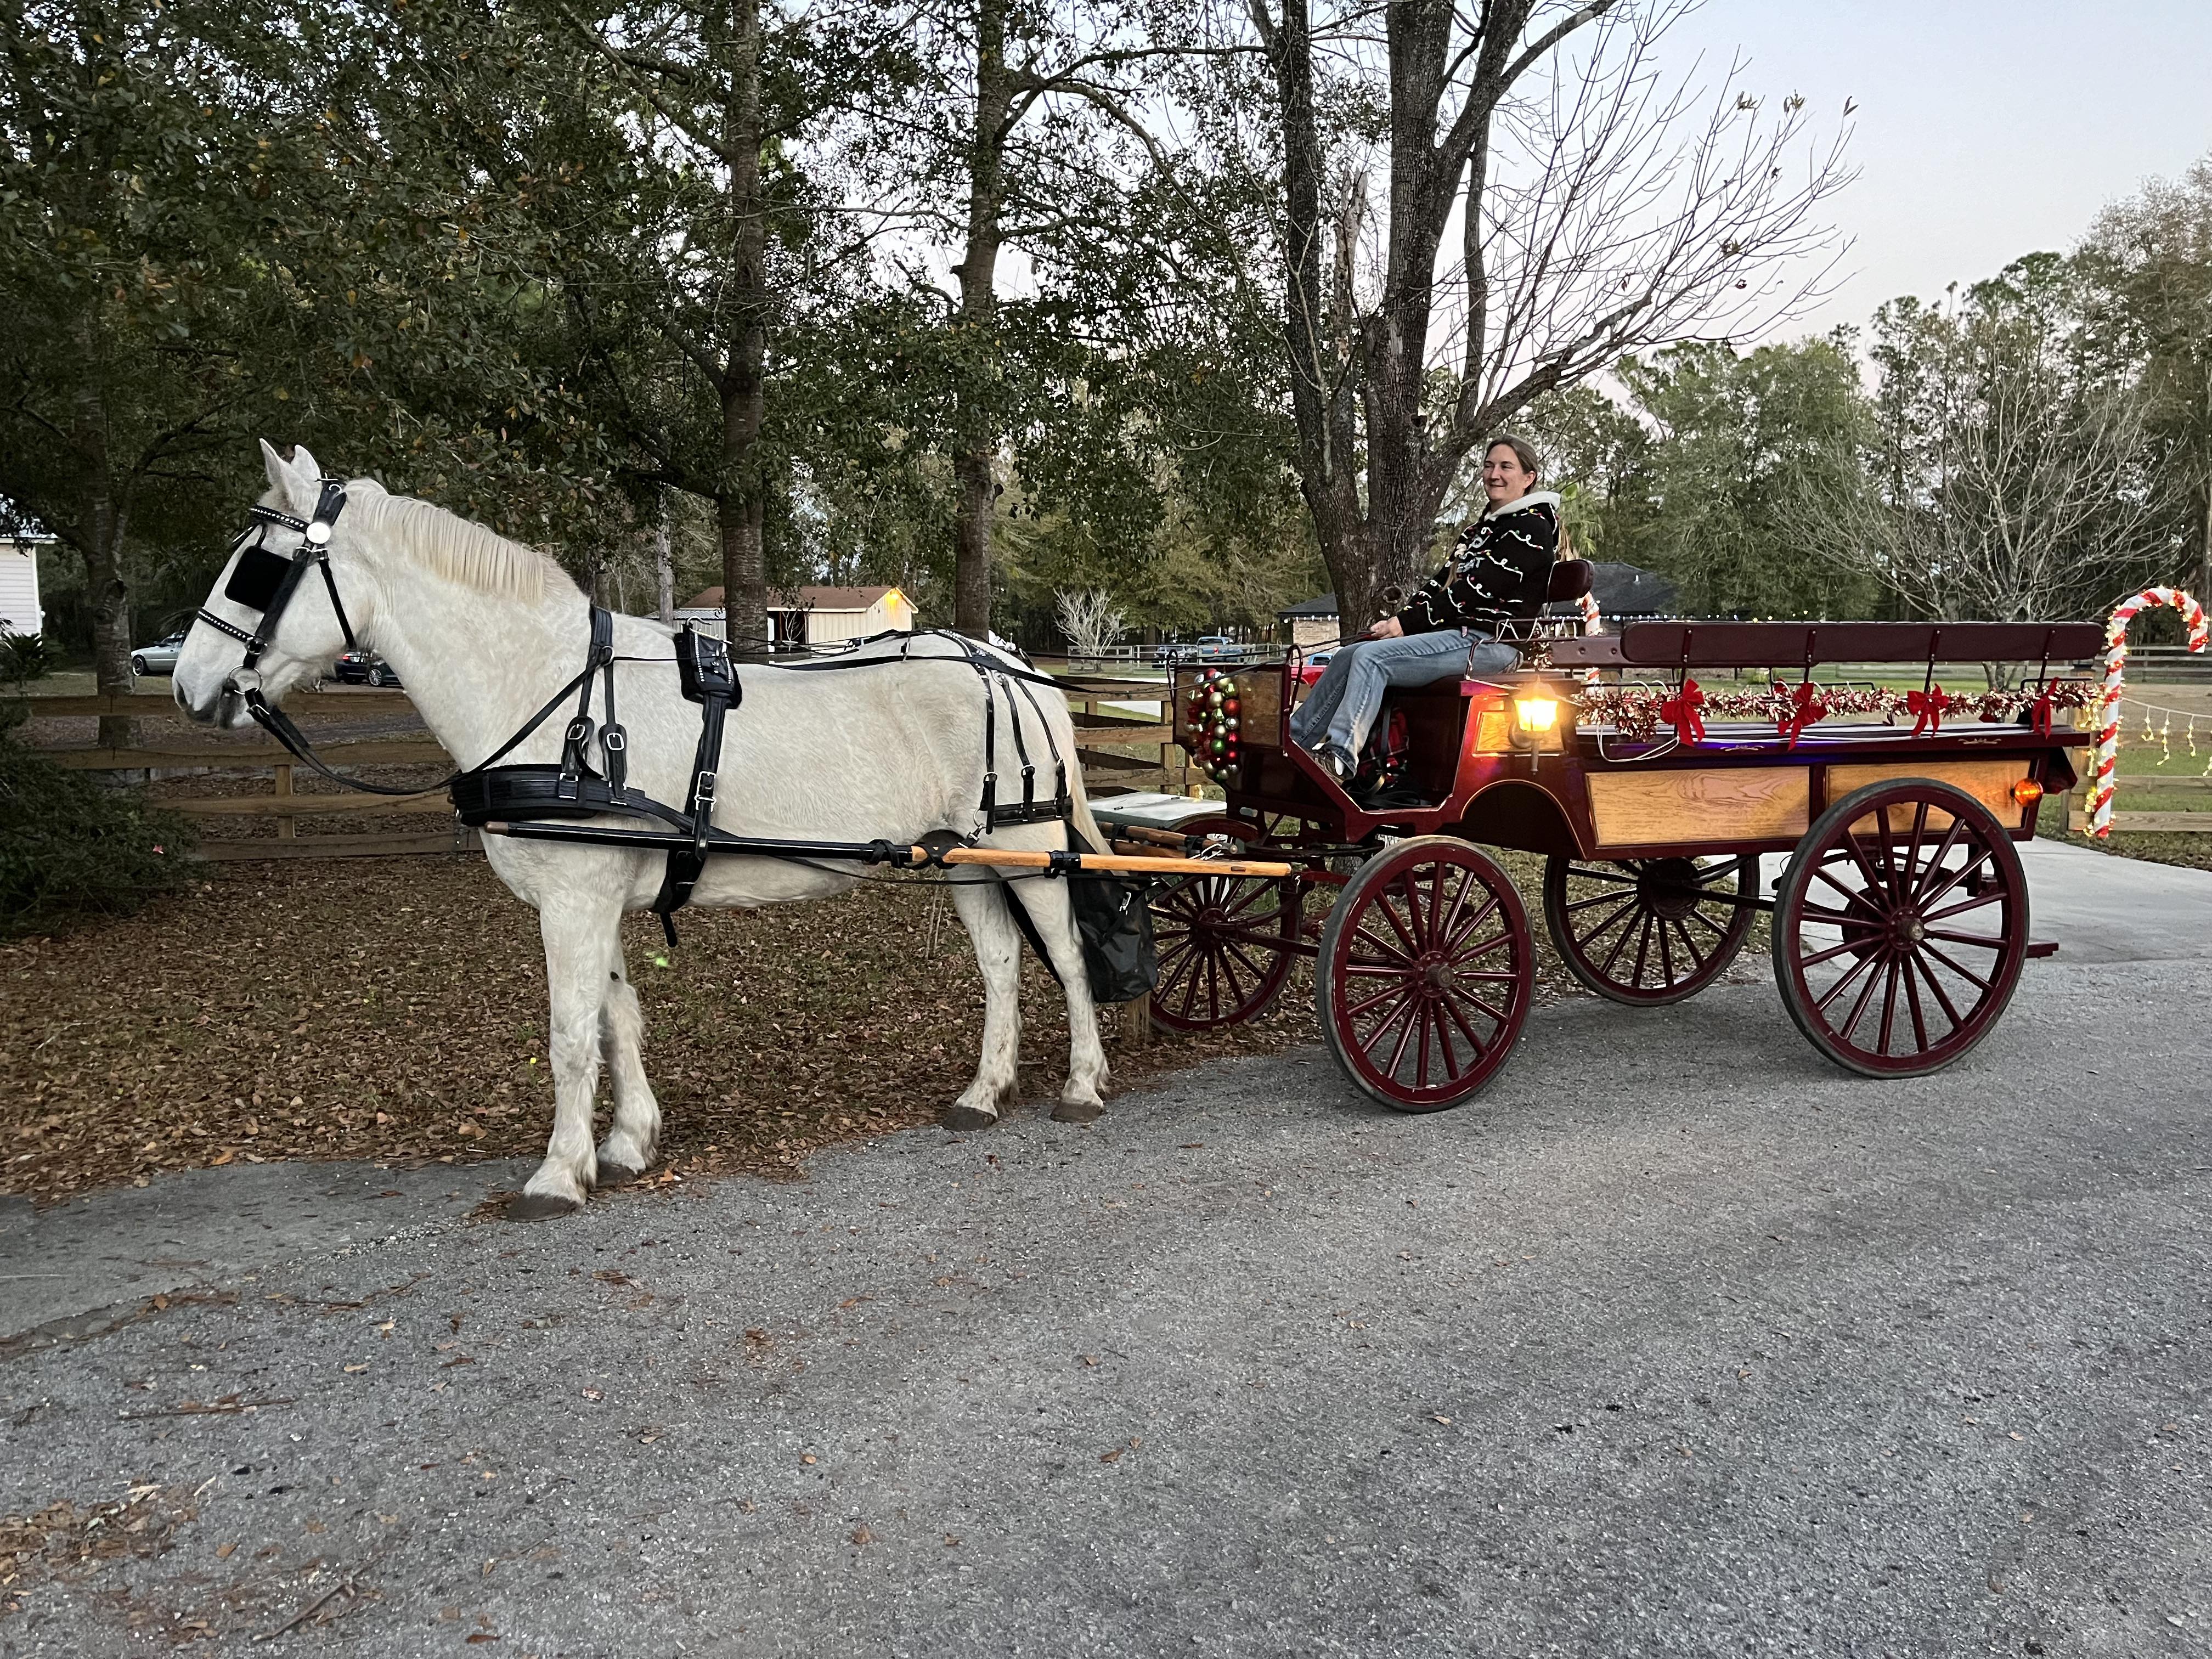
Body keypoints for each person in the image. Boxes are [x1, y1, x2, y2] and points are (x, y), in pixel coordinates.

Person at [1289, 436, 1561, 784]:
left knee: (1373, 660)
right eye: (1489, 465)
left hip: (1492, 645)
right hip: (1458, 638)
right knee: (1349, 654)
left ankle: (1340, 759)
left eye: (1506, 466)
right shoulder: (1482, 530)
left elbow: (1475, 592)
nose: (1494, 474)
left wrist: (1408, 624)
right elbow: (1440, 585)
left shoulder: (1531, 528)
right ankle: (1296, 743)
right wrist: (1396, 621)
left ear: (1529, 478)